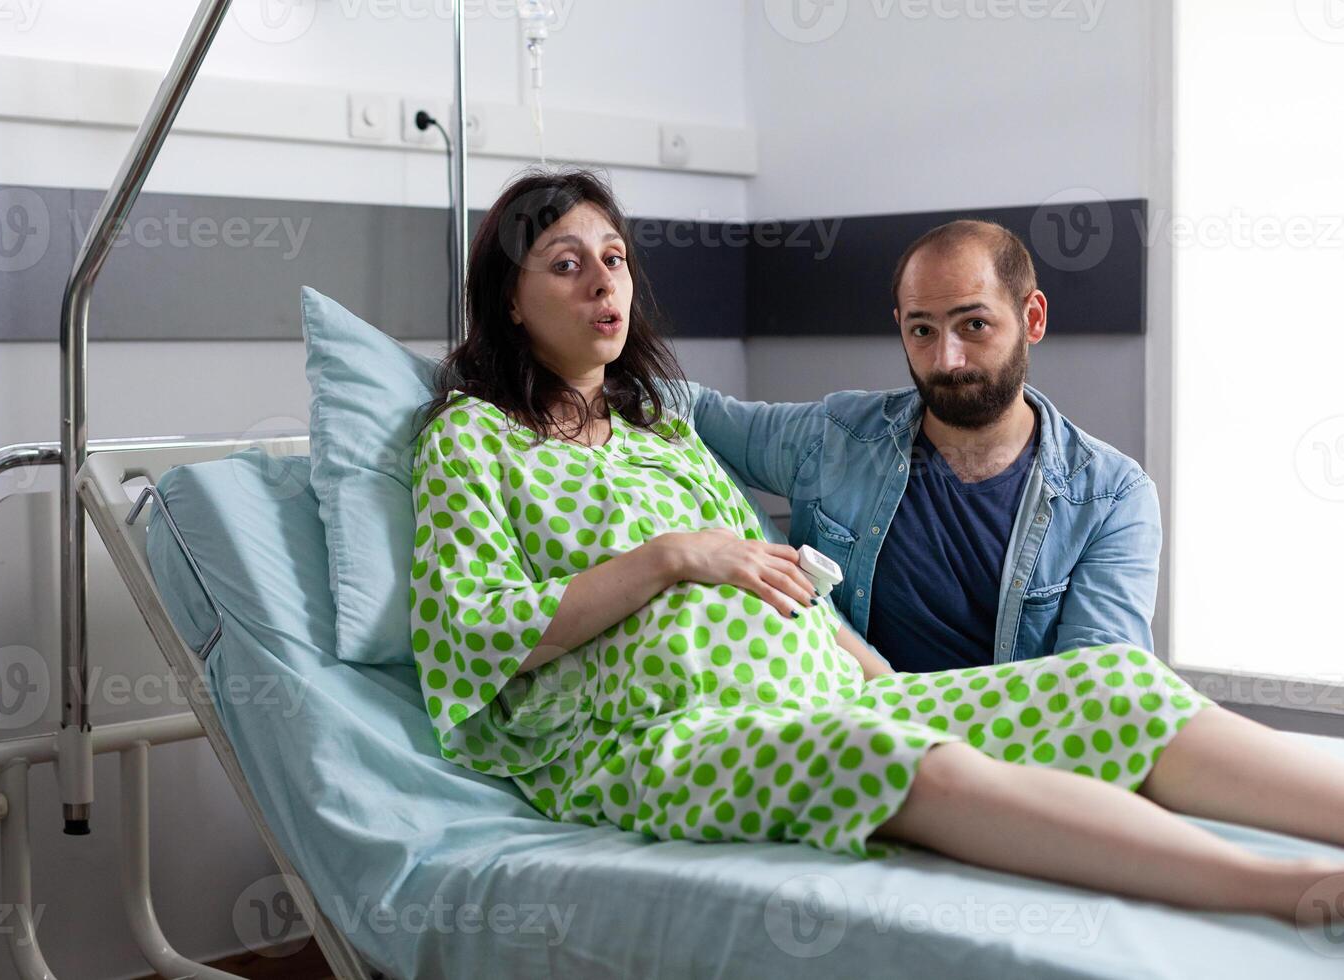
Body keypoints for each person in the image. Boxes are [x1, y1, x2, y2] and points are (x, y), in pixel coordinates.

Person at [407, 167, 1344, 925]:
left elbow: (766, 567)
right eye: (566, 264)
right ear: (511, 300)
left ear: (1029, 320)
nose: (606, 280)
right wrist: (670, 558)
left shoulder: (658, 428)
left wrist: (872, 669)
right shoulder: (471, 439)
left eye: (613, 257)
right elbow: (469, 634)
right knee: (897, 755)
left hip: (818, 683)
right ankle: (1291, 892)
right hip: (656, 737)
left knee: (1114, 687)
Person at [690, 220, 1156, 672]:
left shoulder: (1111, 496)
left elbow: (1098, 686)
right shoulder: (836, 438)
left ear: (1031, 319)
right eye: (922, 331)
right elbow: (691, 409)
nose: (946, 359)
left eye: (974, 325)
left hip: (1007, 743)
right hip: (851, 734)